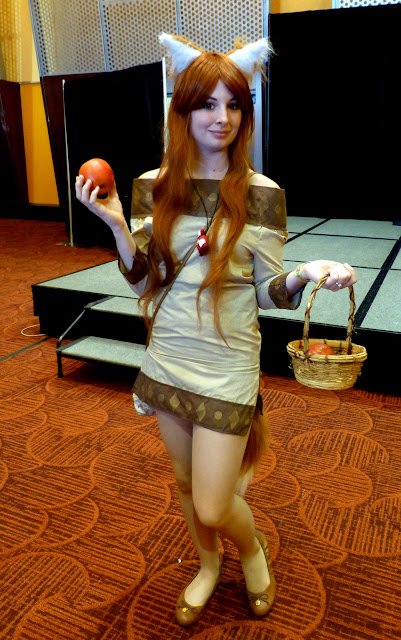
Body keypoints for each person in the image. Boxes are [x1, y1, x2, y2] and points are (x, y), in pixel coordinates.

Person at [75, 33, 357, 626]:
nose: (221, 117)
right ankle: (208, 565)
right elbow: (144, 280)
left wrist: (305, 272)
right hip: (168, 357)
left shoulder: (262, 195)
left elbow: (268, 293)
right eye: (207, 104)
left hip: (228, 366)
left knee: (211, 502)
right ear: (183, 111)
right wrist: (118, 226)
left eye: (233, 104)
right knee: (184, 482)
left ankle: (251, 553)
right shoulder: (153, 186)